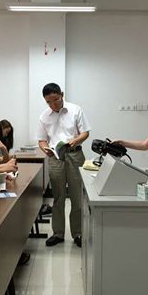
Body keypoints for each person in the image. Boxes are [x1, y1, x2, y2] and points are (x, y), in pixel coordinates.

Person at [37, 83, 91, 247]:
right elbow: (41, 140)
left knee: (77, 197)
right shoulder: (44, 116)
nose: (53, 104)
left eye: (56, 99)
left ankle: (78, 233)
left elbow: (85, 132)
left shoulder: (75, 110)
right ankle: (58, 233)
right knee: (58, 197)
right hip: (55, 157)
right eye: (49, 102)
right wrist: (45, 149)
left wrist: (74, 141)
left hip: (75, 155)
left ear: (62, 94)